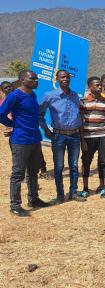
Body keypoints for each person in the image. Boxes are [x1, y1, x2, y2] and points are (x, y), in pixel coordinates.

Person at [0, 70, 50, 216]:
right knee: (18, 173)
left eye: (36, 78)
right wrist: (13, 124)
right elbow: (1, 113)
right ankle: (15, 205)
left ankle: (33, 199)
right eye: (32, 78)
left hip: (34, 139)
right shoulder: (15, 95)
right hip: (20, 140)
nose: (36, 81)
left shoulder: (33, 95)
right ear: (22, 80)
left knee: (33, 172)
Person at [39, 70, 85, 203]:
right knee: (59, 166)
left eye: (67, 77)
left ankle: (73, 192)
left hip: (75, 136)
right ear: (57, 79)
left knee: (74, 165)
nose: (66, 79)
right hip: (59, 136)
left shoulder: (75, 95)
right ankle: (60, 195)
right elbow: (39, 114)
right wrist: (46, 130)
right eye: (63, 77)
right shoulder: (50, 95)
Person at [79, 76, 105, 198]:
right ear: (90, 87)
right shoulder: (82, 101)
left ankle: (104, 187)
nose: (100, 87)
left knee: (104, 161)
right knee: (86, 162)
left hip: (103, 135)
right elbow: (81, 121)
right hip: (88, 136)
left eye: (100, 85)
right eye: (97, 85)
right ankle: (85, 188)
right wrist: (82, 140)